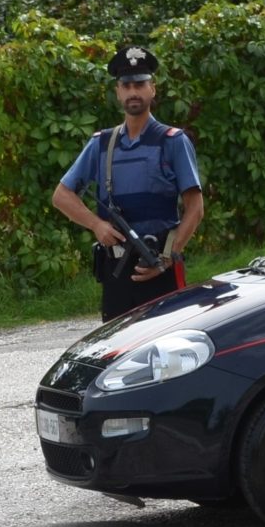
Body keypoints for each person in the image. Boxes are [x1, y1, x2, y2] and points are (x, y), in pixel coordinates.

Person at [51, 45, 205, 321]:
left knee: (167, 343)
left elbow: (195, 209)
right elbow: (61, 196)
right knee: (117, 344)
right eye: (127, 86)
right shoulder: (101, 144)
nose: (133, 92)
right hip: (116, 273)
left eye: (140, 84)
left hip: (160, 269)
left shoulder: (173, 141)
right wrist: (96, 225)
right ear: (118, 92)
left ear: (152, 89)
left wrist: (167, 257)